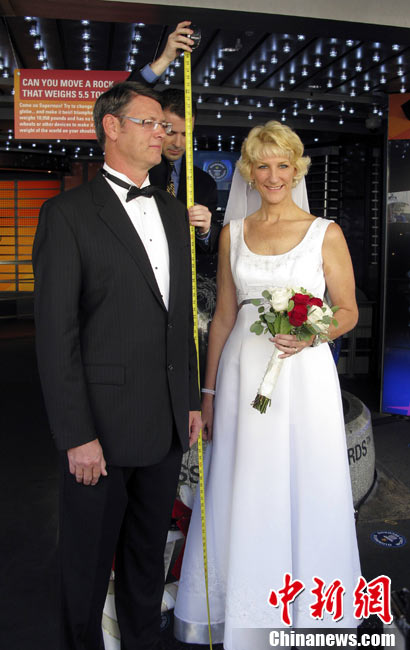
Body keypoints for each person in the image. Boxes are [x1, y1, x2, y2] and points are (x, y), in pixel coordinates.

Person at [174, 120, 361, 649]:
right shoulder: (233, 233)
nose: (274, 175)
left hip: (304, 376)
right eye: (263, 166)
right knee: (245, 482)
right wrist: (209, 394)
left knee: (307, 480)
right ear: (249, 173)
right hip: (241, 376)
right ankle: (246, 613)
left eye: (283, 165)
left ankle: (309, 610)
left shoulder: (326, 232)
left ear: (297, 170)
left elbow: (347, 310)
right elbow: (224, 318)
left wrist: (311, 333)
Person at [33, 80, 201, 650]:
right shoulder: (66, 214)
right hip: (99, 432)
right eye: (150, 123)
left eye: (165, 126)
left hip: (167, 425)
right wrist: (76, 434)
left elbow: (180, 318)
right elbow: (56, 335)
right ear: (111, 126)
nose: (163, 133)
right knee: (86, 562)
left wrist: (190, 401)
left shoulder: (174, 213)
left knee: (148, 555)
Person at [129, 21, 221, 256]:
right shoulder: (135, 167)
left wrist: (206, 231)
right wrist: (165, 59)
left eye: (185, 134)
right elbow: (125, 98)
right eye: (170, 131)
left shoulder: (205, 183)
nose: (178, 143)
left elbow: (211, 248)